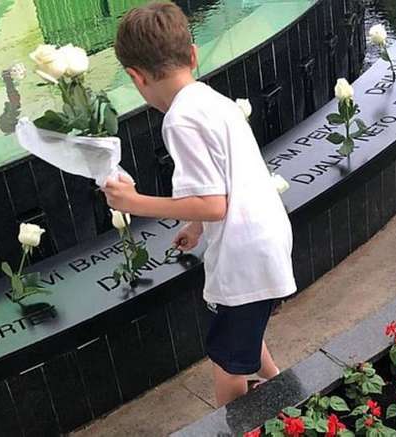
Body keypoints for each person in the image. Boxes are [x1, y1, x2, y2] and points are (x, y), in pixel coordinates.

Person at [104, 2, 297, 406]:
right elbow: (226, 183)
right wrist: (195, 228)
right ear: (192, 55)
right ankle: (285, 393)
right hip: (266, 235)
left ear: (135, 77)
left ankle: (240, 422)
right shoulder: (211, 100)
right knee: (240, 330)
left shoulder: (179, 120)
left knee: (226, 362)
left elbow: (213, 204)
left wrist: (135, 202)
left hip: (243, 253)